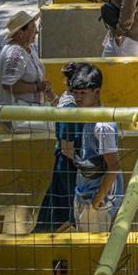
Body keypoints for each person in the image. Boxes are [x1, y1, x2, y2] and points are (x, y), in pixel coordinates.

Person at [34, 63, 87, 232]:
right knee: (68, 213)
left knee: (56, 207)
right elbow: (67, 148)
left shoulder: (67, 98)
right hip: (69, 166)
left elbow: (58, 105)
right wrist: (85, 166)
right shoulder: (71, 108)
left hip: (65, 164)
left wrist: (50, 95)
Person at [71, 63, 122, 233]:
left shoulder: (102, 126)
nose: (78, 98)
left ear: (97, 92)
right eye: (75, 93)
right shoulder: (87, 114)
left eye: (83, 93)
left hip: (99, 203)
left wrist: (96, 202)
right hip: (85, 194)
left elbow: (114, 167)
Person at [0, 10, 54, 112]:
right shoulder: (15, 53)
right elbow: (9, 85)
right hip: (18, 114)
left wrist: (52, 97)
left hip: (30, 111)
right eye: (33, 29)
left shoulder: (29, 48)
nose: (37, 32)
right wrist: (37, 87)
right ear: (20, 33)